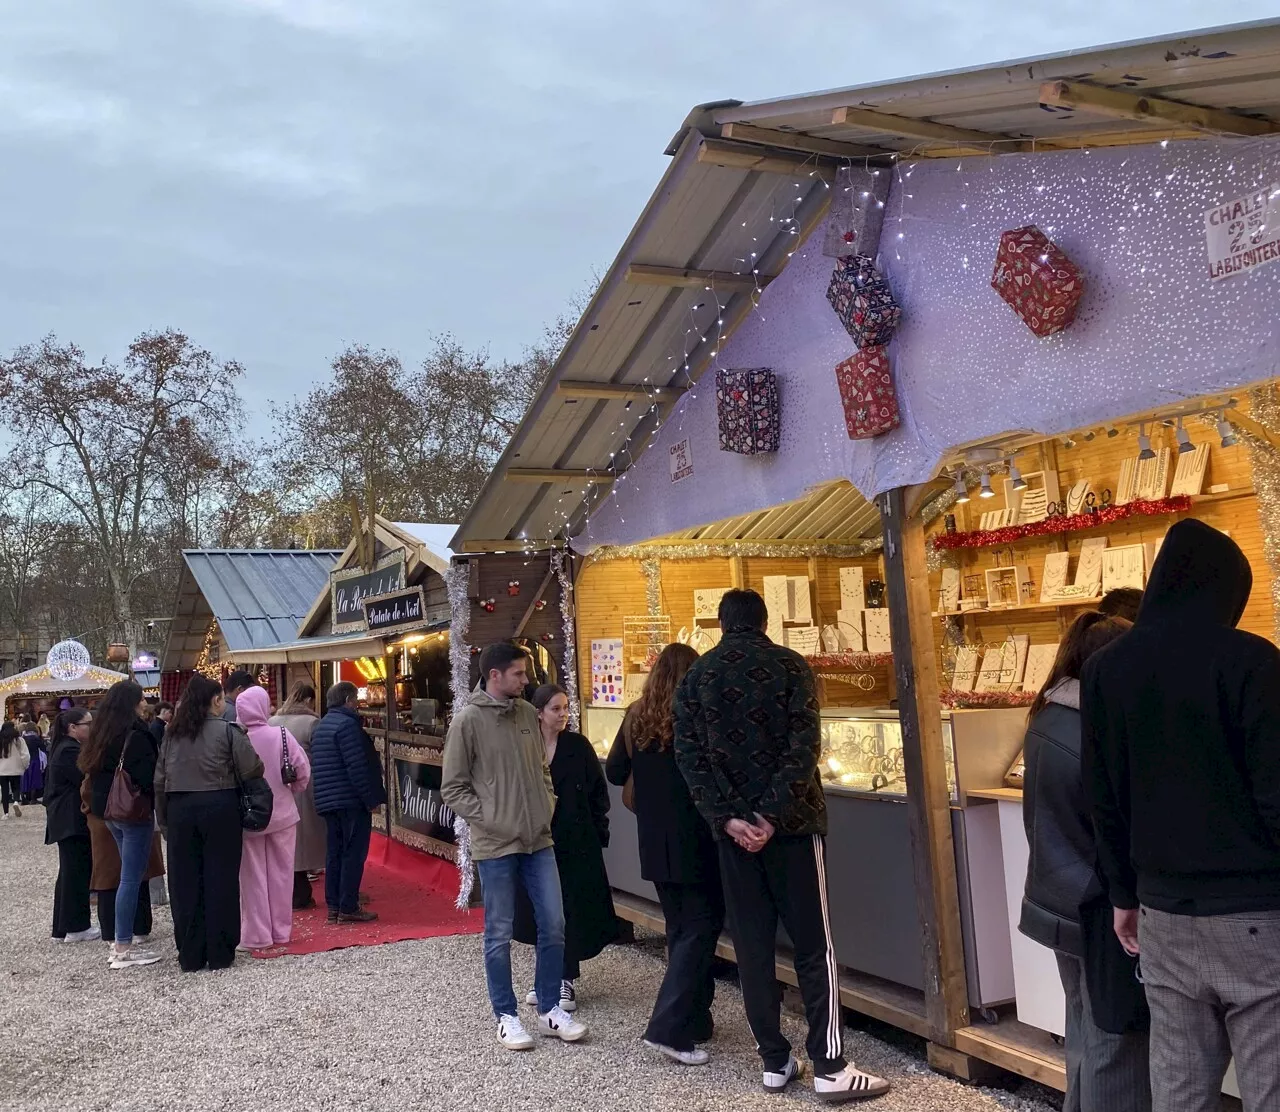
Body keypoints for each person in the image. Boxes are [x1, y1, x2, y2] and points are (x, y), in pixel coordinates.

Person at [1083, 518, 1280, 1112]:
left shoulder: (1106, 669)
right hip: (1257, 915)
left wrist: (1123, 894)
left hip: (1160, 913)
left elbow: (1104, 796)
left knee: (1180, 1088)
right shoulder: (1253, 662)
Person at [674, 589, 889, 1102]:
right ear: (765, 621)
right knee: (815, 948)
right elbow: (804, 746)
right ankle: (830, 1064)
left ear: (721, 623)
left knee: (752, 948)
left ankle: (774, 1060)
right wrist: (770, 815)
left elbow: (691, 759)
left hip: (733, 839)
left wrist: (730, 821)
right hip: (793, 829)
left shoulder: (697, 677)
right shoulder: (792, 667)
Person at [1018, 613, 1148, 1112]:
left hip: (1055, 898)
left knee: (1083, 1026)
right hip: (1098, 909)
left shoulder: (1049, 714)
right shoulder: (1094, 729)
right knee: (1113, 1043)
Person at [441, 643, 588, 1051]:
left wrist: (546, 806)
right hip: (496, 846)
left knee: (554, 924)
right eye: (519, 674)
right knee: (499, 932)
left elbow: (541, 770)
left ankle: (548, 1009)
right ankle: (506, 1016)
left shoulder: (526, 714)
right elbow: (452, 787)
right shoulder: (467, 722)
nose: (527, 680)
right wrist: (492, 818)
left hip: (538, 839)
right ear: (495, 676)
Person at [607, 643, 723, 1066]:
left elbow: (615, 771)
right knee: (701, 927)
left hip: (653, 838)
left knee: (681, 928)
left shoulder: (637, 715)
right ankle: (668, 1026)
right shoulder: (698, 714)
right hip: (697, 838)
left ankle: (696, 1015)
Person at [513, 685, 617, 1014]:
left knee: (569, 905)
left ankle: (565, 977)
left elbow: (597, 790)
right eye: (556, 709)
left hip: (574, 838)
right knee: (540, 907)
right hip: (535, 837)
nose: (562, 715)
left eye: (565, 708)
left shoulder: (577, 746)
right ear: (539, 711)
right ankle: (546, 974)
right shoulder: (524, 745)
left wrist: (599, 829)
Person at [155, 674, 265, 971]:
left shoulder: (171, 734)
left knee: (184, 882)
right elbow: (252, 768)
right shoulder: (228, 731)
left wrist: (164, 819)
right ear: (216, 700)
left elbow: (159, 780)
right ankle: (220, 950)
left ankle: (190, 952)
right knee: (221, 878)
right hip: (219, 805)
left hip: (180, 807)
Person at [78, 680, 161, 970]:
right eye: (141, 699)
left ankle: (119, 942)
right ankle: (123, 945)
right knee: (130, 878)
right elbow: (149, 775)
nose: (144, 703)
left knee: (126, 875)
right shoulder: (136, 735)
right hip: (132, 811)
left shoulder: (101, 734)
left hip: (108, 811)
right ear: (132, 703)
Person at [236, 686, 311, 950]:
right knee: (282, 875)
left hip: (249, 816)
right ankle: (281, 931)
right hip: (282, 812)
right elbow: (301, 769)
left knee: (252, 876)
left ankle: (257, 935)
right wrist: (292, 789)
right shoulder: (281, 734)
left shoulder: (237, 737)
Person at [311, 682, 384, 925]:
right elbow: (358, 768)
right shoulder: (348, 726)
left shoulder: (321, 726)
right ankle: (348, 905)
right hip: (349, 799)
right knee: (353, 853)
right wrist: (371, 799)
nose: (357, 704)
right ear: (348, 701)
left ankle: (334, 905)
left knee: (334, 853)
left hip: (328, 799)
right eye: (355, 699)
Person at [270, 681, 326, 910]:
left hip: (280, 787)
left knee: (287, 842)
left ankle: (293, 889)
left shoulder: (273, 722)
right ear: (308, 700)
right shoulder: (312, 722)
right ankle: (303, 889)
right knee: (306, 839)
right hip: (306, 785)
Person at [45, 708, 99, 943]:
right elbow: (84, 779)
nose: (91, 727)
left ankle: (62, 927)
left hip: (66, 818)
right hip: (71, 819)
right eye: (87, 724)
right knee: (76, 871)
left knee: (69, 872)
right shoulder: (69, 750)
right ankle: (76, 926)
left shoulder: (63, 748)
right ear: (72, 728)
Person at [0, 720, 30, 818]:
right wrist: (25, 765)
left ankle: (6, 813)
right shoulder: (19, 740)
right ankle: (16, 801)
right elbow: (25, 755)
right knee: (16, 787)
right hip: (15, 768)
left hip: (2, 769)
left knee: (4, 791)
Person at [19, 716, 45, 803]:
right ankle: (33, 799)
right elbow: (43, 748)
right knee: (34, 779)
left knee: (24, 779)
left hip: (25, 760)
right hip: (35, 759)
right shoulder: (36, 738)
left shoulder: (22, 738)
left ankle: (23, 798)